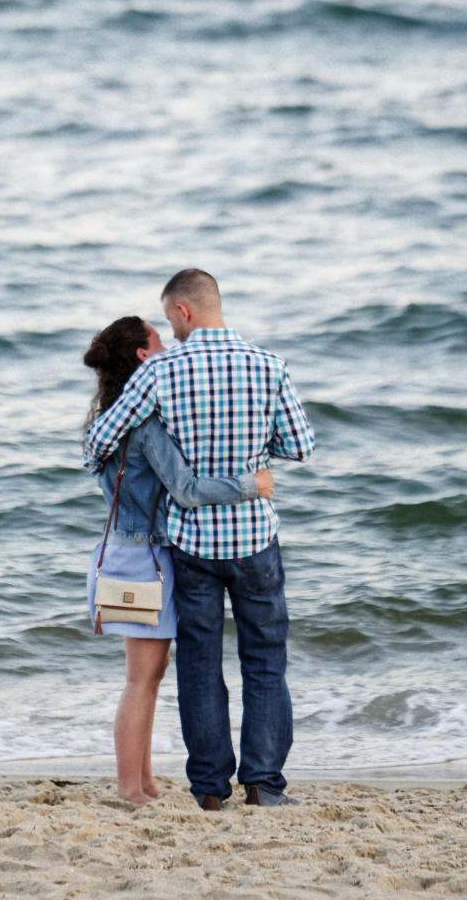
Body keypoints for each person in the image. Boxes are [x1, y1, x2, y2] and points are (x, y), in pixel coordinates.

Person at [83, 270, 314, 811]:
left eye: (169, 320)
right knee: (265, 660)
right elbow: (300, 445)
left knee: (200, 665)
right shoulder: (269, 364)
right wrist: (254, 456)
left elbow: (101, 439)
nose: (171, 330)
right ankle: (264, 786)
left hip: (191, 545)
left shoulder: (161, 371)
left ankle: (210, 790)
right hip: (255, 537)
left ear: (183, 311)